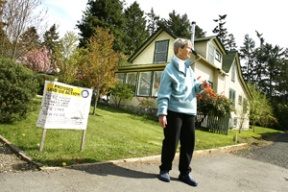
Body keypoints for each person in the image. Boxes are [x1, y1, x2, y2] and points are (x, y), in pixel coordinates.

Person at [156, 38, 209, 187]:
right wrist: (162, 113)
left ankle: (184, 173)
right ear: (180, 49)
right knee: (171, 143)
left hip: (190, 112)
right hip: (174, 112)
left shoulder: (188, 69)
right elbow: (163, 93)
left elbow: (193, 87)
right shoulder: (169, 70)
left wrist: (201, 86)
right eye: (189, 48)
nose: (191, 51)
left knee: (188, 144)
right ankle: (164, 169)